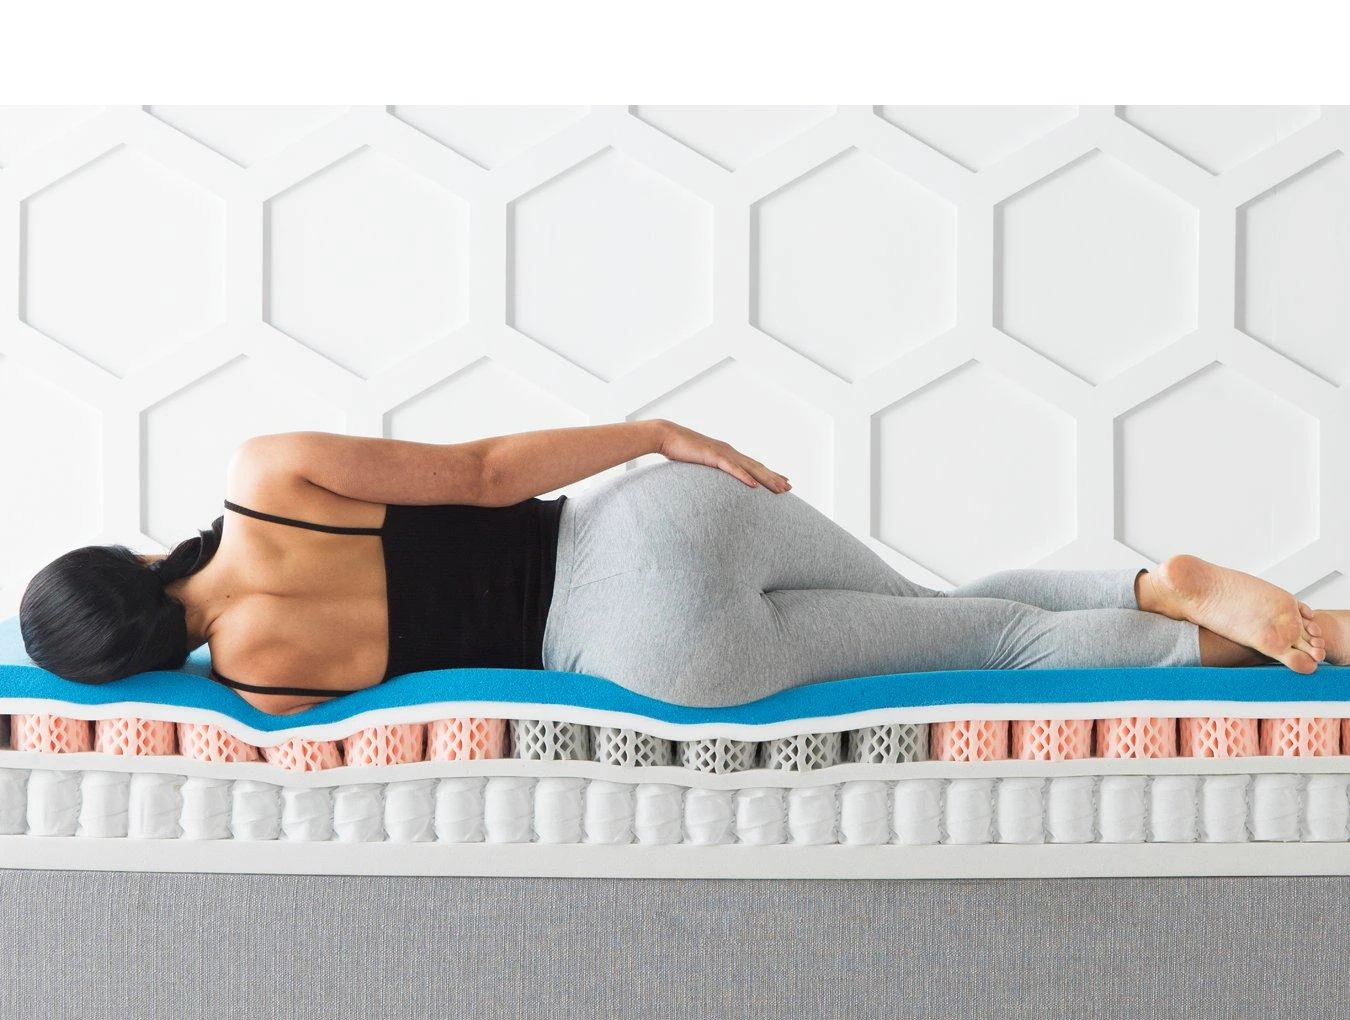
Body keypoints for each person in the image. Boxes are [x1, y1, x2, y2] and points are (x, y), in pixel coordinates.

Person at [16, 421, 1338, 712]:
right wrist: (653, 433)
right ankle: (1154, 589)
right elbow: (484, 473)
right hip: (651, 528)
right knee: (955, 611)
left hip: (651, 660)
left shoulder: (265, 682)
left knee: (987, 646)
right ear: (122, 557)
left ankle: (1194, 618)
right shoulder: (270, 475)